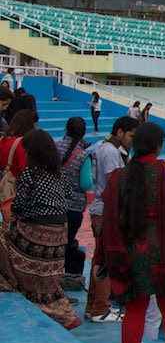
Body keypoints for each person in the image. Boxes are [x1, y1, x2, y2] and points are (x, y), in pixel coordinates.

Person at [94, 122, 165, 343]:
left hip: (133, 252)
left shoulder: (119, 178)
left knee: (135, 307)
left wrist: (102, 257)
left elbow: (110, 219)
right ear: (158, 146)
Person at [0, 128, 79, 328]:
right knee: (48, 275)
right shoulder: (59, 172)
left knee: (5, 245)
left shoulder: (30, 173)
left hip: (35, 231)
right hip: (60, 231)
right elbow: (69, 193)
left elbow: (19, 205)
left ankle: (14, 289)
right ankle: (63, 313)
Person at [84, 115, 138, 323]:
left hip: (103, 209)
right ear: (120, 132)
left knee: (101, 258)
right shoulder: (109, 151)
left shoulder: (106, 148)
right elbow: (114, 183)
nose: (132, 140)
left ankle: (94, 306)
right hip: (105, 210)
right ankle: (100, 308)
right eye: (131, 135)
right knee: (105, 260)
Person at [57, 117, 90, 289]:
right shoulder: (83, 155)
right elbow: (86, 183)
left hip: (54, 202)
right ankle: (69, 278)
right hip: (74, 206)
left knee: (56, 241)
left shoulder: (55, 147)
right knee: (69, 241)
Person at [0, 108, 34, 227]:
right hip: (15, 189)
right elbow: (24, 170)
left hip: (4, 185)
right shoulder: (21, 143)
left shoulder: (3, 139)